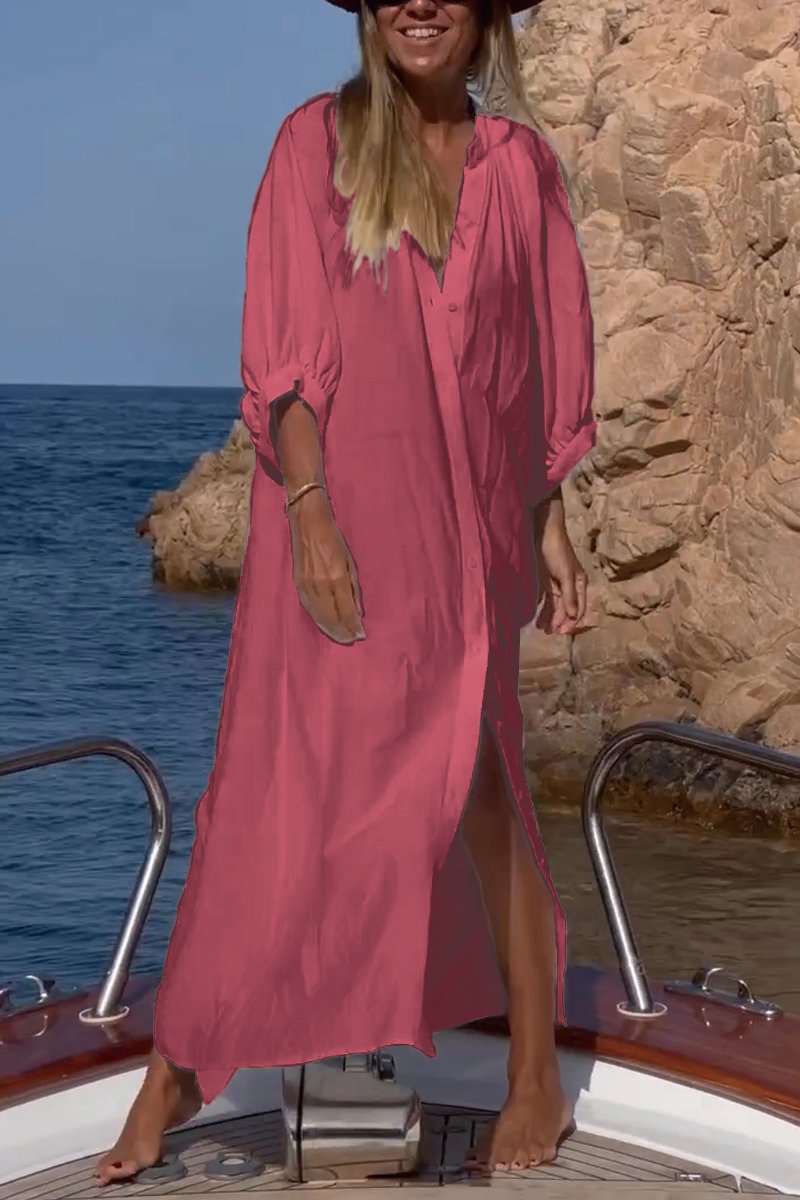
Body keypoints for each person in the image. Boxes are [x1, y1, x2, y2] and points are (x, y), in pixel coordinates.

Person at [97, 0, 596, 1184]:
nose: (417, 4)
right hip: (336, 519)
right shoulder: (311, 143)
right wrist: (311, 510)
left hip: (471, 531)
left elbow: (538, 356)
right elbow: (284, 353)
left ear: (484, 14)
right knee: (279, 790)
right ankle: (180, 1064)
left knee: (477, 781)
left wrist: (548, 512)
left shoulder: (519, 168)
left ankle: (533, 1074)